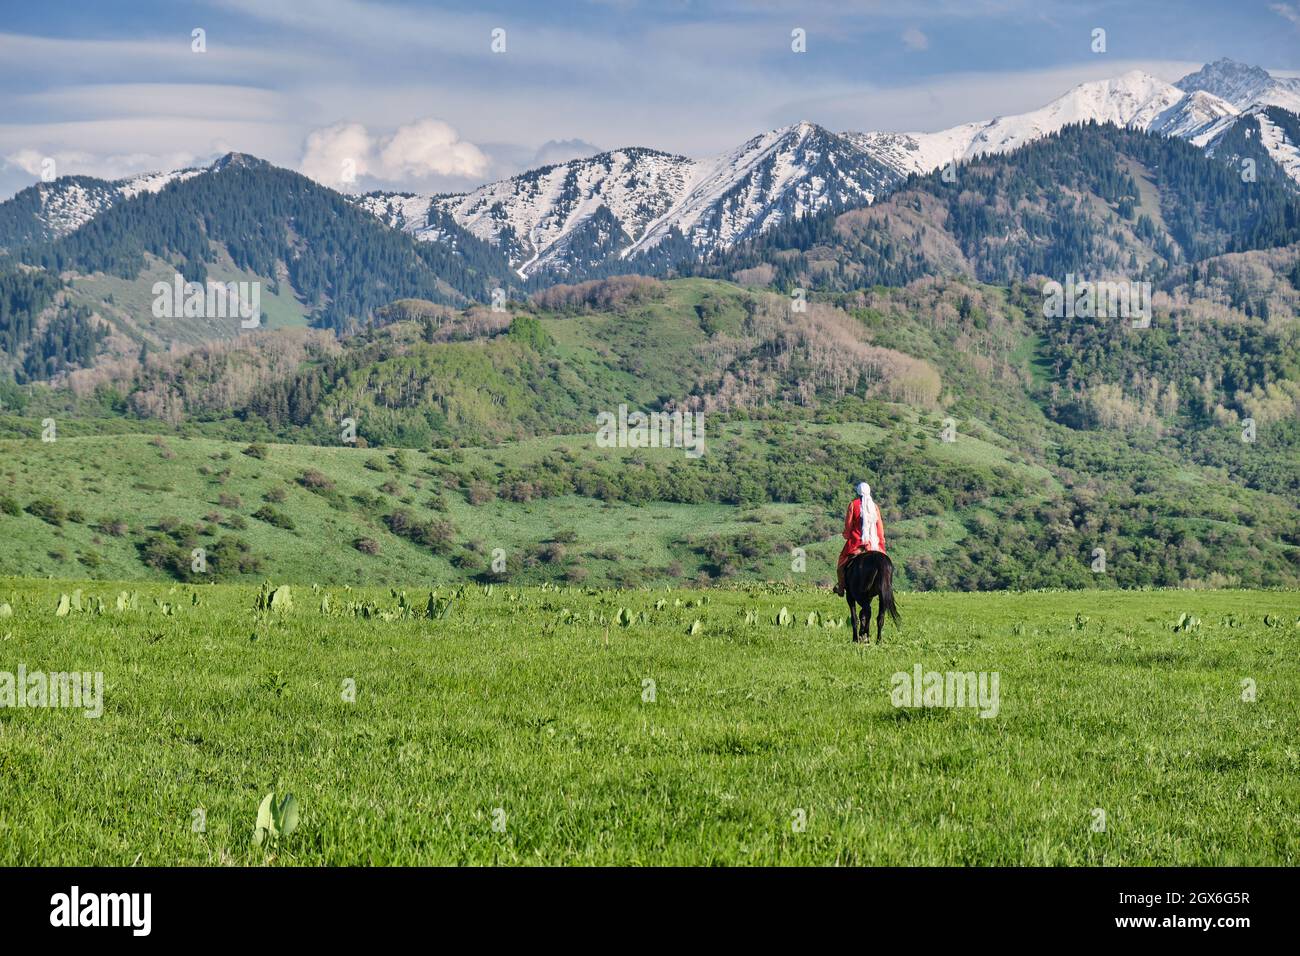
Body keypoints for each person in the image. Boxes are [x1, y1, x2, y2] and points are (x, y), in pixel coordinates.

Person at [834, 481, 886, 596]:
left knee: (841, 563)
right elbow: (880, 527)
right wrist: (881, 541)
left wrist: (846, 535)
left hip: (857, 543)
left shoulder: (853, 505)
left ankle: (841, 587)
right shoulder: (875, 507)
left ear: (858, 493)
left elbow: (848, 525)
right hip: (874, 544)